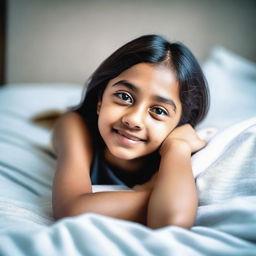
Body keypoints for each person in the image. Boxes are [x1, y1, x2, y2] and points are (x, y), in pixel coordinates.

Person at [51, 34, 209, 229]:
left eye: (158, 111)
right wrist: (152, 195)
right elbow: (70, 210)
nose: (133, 120)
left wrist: (178, 147)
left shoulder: (179, 146)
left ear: (179, 124)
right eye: (124, 97)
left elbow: (172, 222)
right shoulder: (75, 125)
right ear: (100, 101)